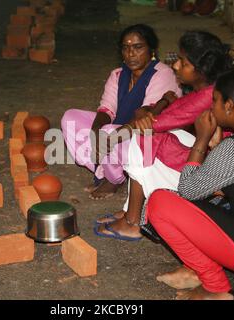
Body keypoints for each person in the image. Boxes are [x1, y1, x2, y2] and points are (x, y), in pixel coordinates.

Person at [146, 67, 234, 300]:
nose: (210, 108)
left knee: (159, 203)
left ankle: (214, 286)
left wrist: (201, 139)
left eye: (214, 101)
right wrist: (216, 148)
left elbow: (189, 190)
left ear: (229, 106)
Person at [94, 31, 233, 241]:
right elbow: (160, 114)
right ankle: (130, 210)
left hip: (213, 174)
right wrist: (158, 106)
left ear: (201, 70)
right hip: (209, 158)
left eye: (182, 62)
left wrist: (112, 139)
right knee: (148, 137)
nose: (175, 65)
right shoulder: (204, 90)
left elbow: (158, 121)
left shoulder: (206, 98)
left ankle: (133, 222)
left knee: (144, 139)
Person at [61, 24, 181, 200]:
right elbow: (106, 109)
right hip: (118, 133)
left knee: (109, 132)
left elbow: (147, 115)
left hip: (149, 138)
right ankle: (105, 167)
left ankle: (114, 178)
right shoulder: (118, 74)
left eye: (138, 47)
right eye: (126, 48)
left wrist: (109, 135)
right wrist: (95, 134)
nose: (131, 54)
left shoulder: (163, 73)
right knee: (70, 118)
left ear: (152, 49)